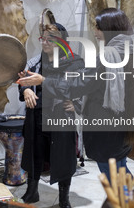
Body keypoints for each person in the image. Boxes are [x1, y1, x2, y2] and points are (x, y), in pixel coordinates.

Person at [18, 8, 134, 182]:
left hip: (106, 130)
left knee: (115, 179)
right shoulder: (132, 51)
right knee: (120, 170)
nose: (95, 31)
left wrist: (44, 81)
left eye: (98, 27)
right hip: (121, 126)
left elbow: (78, 85)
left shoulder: (106, 57)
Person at [17, 23, 84, 208]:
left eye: (50, 39)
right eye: (43, 38)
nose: (45, 42)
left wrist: (75, 101)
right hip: (37, 116)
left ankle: (64, 199)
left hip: (61, 118)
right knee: (34, 154)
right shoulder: (35, 62)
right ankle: (32, 191)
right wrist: (26, 91)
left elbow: (77, 86)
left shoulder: (74, 62)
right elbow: (22, 80)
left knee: (63, 158)